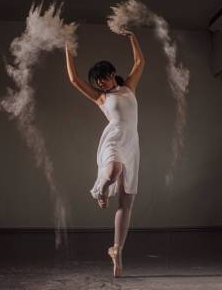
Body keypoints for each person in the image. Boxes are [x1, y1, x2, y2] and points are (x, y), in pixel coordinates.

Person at [64, 29, 144, 277]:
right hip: (113, 140)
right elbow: (75, 80)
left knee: (126, 202)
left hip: (131, 144)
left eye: (103, 78)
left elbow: (140, 62)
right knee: (113, 171)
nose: (100, 83)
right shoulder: (101, 98)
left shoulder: (128, 86)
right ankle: (99, 189)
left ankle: (117, 249)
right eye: (97, 81)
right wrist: (68, 48)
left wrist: (132, 36)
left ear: (112, 75)